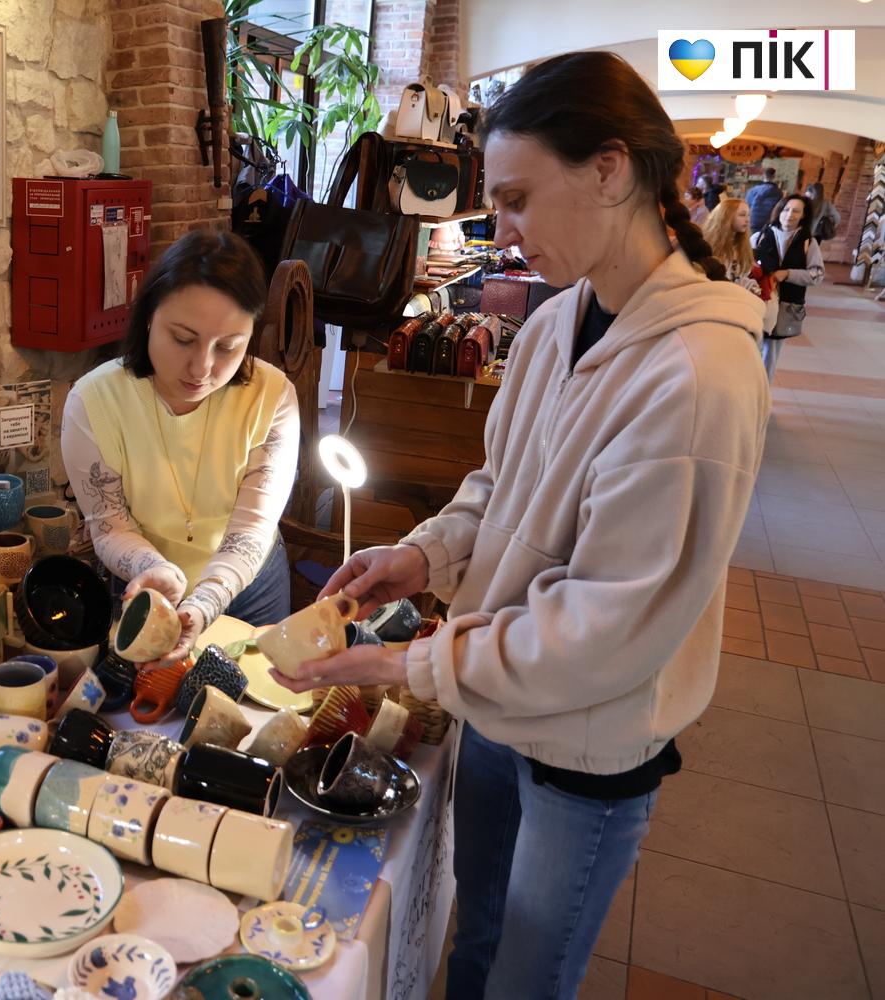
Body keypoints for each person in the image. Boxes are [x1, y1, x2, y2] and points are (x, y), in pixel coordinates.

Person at [270, 51, 768, 1000]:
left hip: (586, 744)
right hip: (495, 700)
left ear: (610, 170)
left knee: (527, 979)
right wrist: (424, 555)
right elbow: (500, 484)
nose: (501, 226)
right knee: (477, 936)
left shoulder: (697, 377)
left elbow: (609, 628)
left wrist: (405, 666)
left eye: (517, 199)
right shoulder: (556, 321)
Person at [62, 229, 299, 664]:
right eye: (183, 339)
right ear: (150, 315)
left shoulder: (273, 396)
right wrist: (154, 570)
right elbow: (109, 522)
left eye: (228, 347)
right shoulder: (92, 401)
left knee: (253, 708)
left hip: (249, 581)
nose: (202, 368)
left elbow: (252, 527)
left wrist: (207, 599)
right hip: (144, 579)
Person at [752, 194, 825, 380]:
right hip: (759, 302)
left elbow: (817, 274)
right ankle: (750, 392)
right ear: (779, 211)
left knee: (771, 354)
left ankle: (763, 396)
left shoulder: (809, 242)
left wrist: (788, 274)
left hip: (786, 306)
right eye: (786, 209)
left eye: (796, 211)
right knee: (752, 349)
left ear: (803, 215)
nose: (789, 214)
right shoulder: (761, 236)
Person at [702, 197, 770, 333]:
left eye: (748, 215)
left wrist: (750, 286)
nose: (748, 220)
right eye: (742, 215)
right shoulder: (708, 246)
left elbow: (738, 277)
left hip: (735, 307)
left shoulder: (741, 246)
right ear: (726, 217)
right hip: (712, 309)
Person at [744, 166, 783, 234]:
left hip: (753, 222)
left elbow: (746, 205)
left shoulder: (753, 190)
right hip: (769, 224)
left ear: (763, 176)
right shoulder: (778, 192)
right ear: (774, 176)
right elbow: (779, 209)